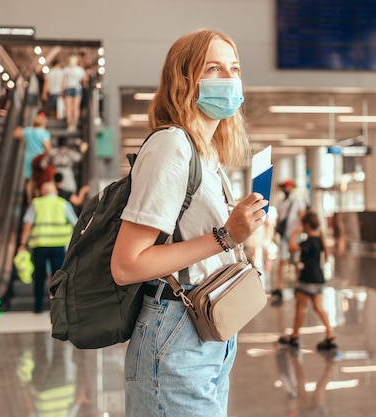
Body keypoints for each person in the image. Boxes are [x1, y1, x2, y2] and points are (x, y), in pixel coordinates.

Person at [109, 29, 267, 417]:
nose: (229, 79)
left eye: (234, 68)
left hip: (208, 328)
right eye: (213, 68)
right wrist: (227, 236)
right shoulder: (171, 146)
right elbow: (127, 265)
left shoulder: (206, 154)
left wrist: (241, 235)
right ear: (184, 81)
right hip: (176, 331)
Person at [278, 211, 337, 351]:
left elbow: (291, 247)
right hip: (318, 279)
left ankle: (294, 336)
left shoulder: (310, 241)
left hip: (308, 279)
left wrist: (295, 232)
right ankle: (330, 335)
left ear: (307, 225)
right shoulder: (318, 240)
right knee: (319, 308)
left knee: (300, 308)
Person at [18, 181, 78, 313]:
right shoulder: (63, 203)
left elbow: (27, 224)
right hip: (59, 244)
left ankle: (38, 306)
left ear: (42, 192)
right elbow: (75, 223)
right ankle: (58, 306)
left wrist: (22, 243)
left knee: (39, 275)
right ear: (55, 191)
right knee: (58, 276)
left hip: (40, 245)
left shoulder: (36, 203)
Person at [272, 179, 306, 304]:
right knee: (282, 261)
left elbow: (302, 217)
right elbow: (280, 218)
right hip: (284, 235)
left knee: (296, 261)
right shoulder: (281, 202)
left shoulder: (297, 200)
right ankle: (279, 288)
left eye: (288, 187)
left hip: (294, 236)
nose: (286, 189)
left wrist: (297, 233)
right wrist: (276, 232)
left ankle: (300, 286)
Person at [14, 114, 52, 203]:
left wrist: (18, 126)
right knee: (38, 179)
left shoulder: (28, 131)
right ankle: (37, 198)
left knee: (30, 180)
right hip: (39, 159)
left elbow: (16, 134)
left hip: (28, 158)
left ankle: (29, 200)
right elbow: (48, 148)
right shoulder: (44, 133)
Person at [62, 55, 87, 131]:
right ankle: (75, 125)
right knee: (76, 107)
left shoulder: (66, 69)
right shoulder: (80, 70)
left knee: (69, 108)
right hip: (77, 88)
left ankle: (69, 124)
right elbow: (85, 80)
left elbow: (63, 81)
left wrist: (62, 90)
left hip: (68, 88)